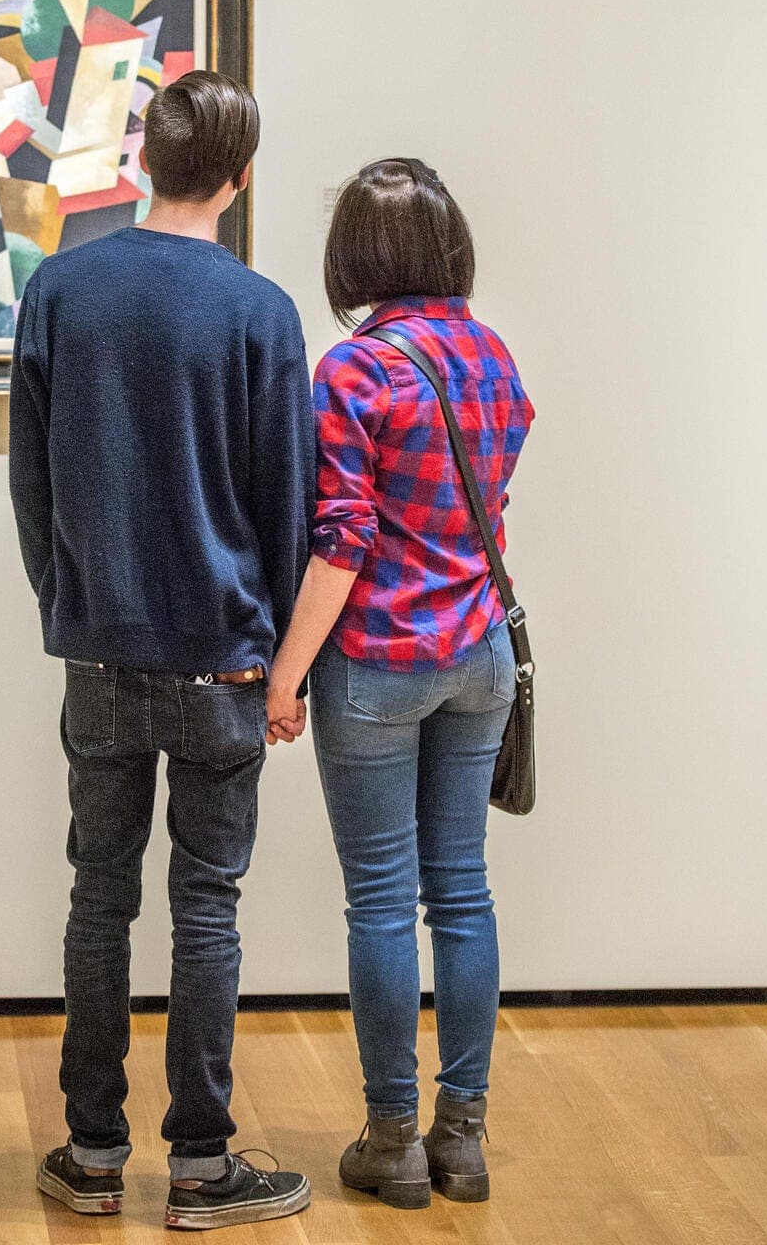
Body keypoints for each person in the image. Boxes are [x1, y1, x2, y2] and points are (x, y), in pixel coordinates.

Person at [9, 69, 314, 1230]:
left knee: (98, 899)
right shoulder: (258, 312)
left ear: (143, 160)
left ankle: (92, 1153)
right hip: (224, 658)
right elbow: (287, 507)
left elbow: (30, 483)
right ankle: (199, 1167)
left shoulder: (60, 290)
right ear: (241, 176)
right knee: (206, 910)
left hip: (98, 654)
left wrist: (67, 602)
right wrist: (282, 661)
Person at [266, 157, 534, 1210]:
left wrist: (286, 677)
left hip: (378, 661)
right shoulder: (492, 355)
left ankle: (392, 1143)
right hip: (480, 654)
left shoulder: (353, 371)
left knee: (381, 901)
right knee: (461, 892)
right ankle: (461, 1138)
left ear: (356, 255)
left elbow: (342, 544)